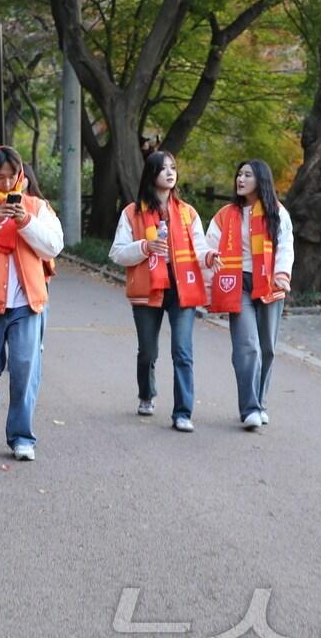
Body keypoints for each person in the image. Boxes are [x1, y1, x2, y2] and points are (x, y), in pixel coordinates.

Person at [0, 147, 63, 461]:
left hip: (26, 303)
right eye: (0, 176)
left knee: (25, 368)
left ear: (21, 176)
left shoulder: (37, 206)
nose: (7, 183)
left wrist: (26, 222)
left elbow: (53, 246)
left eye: (13, 176)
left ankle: (22, 436)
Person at [109, 150, 212, 432]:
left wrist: (209, 258)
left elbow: (199, 248)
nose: (170, 172)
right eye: (163, 168)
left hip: (182, 288)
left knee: (182, 350)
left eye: (173, 168)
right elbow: (117, 253)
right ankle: (146, 394)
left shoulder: (188, 212)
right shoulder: (132, 212)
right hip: (147, 288)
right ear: (151, 174)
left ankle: (182, 412)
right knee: (148, 351)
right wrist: (145, 246)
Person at [204, 160, 293, 430]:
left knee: (267, 348)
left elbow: (285, 246)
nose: (240, 179)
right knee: (247, 346)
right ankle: (250, 408)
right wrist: (208, 281)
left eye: (247, 175)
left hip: (269, 284)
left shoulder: (277, 212)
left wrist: (281, 274)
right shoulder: (225, 214)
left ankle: (261, 403)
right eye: (239, 174)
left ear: (261, 180)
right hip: (237, 283)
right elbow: (208, 246)